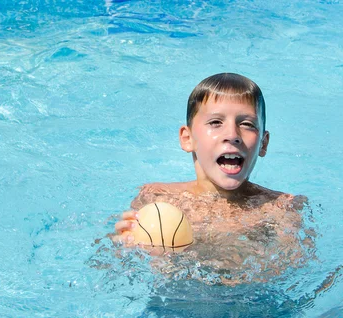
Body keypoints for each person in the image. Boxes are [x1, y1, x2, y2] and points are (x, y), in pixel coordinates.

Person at [113, 73, 314, 279]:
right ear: (187, 138)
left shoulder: (281, 208)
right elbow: (114, 268)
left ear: (263, 142)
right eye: (216, 122)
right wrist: (125, 247)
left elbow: (292, 272)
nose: (233, 135)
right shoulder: (156, 197)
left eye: (246, 124)